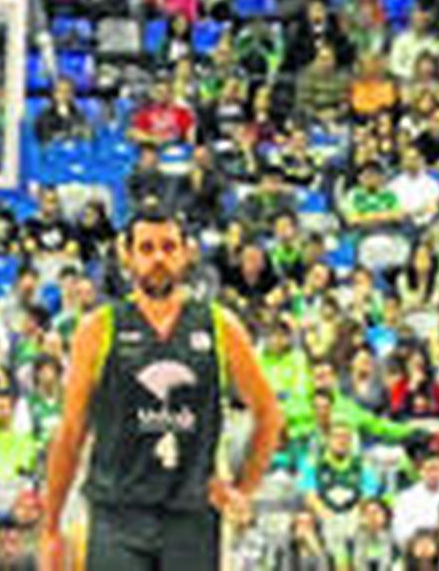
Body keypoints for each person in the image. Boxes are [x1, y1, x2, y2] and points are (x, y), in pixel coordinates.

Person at [39, 211, 285, 570]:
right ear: (126, 256)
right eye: (147, 248)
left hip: (192, 516)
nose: (158, 258)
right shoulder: (98, 328)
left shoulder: (220, 326)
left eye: (169, 247)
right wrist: (51, 527)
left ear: (187, 253)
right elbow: (71, 432)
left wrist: (242, 489)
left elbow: (269, 414)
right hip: (116, 513)